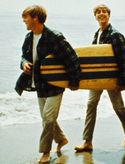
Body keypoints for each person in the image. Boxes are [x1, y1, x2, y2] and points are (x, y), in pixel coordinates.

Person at [18, 5, 80, 163]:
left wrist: (74, 82)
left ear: (35, 18)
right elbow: (24, 57)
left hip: (55, 85)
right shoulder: (29, 37)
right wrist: (24, 63)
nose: (24, 20)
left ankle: (45, 152)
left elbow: (71, 58)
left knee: (48, 117)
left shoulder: (54, 36)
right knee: (47, 118)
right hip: (39, 85)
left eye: (26, 17)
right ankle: (61, 139)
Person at [74, 4, 125, 152]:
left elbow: (123, 59)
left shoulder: (115, 35)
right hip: (97, 78)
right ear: (95, 16)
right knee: (91, 104)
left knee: (118, 107)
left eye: (104, 12)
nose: (101, 14)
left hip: (111, 78)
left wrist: (122, 81)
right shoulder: (98, 33)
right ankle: (87, 141)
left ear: (109, 14)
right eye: (98, 12)